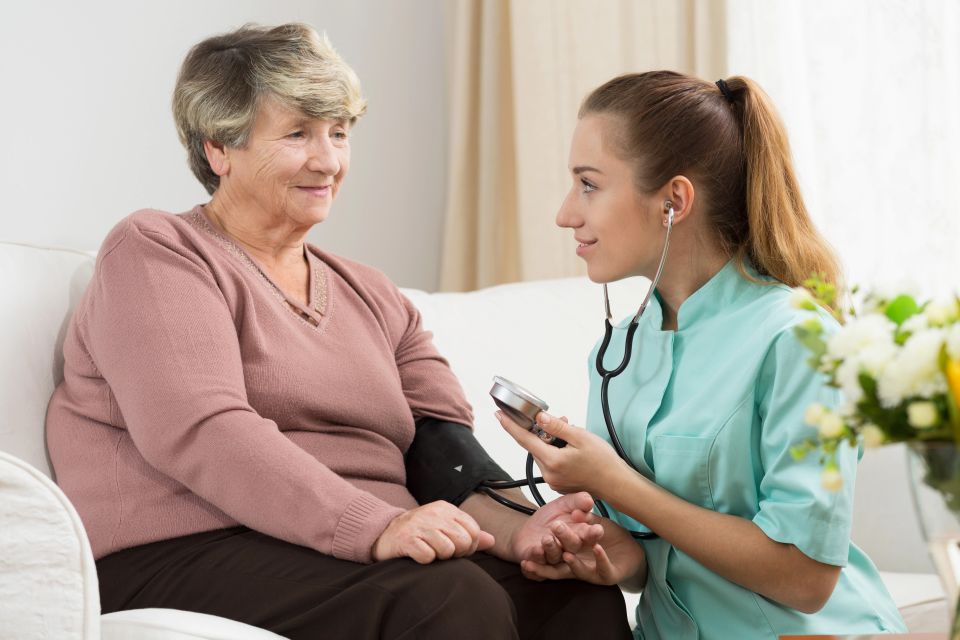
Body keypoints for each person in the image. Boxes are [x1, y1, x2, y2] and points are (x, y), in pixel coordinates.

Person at [45, 23, 633, 639]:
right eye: (298, 133)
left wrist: (521, 530)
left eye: (339, 133)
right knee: (444, 598)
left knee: (573, 602)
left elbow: (438, 444)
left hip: (336, 547)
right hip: (178, 549)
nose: (327, 160)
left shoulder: (373, 294)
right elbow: (203, 431)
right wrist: (373, 526)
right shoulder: (158, 251)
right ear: (219, 147)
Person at [496, 71, 908, 639]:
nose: (566, 213)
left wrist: (615, 482)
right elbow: (651, 555)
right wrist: (608, 553)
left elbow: (807, 577)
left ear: (675, 200)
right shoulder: (617, 354)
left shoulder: (798, 339)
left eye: (588, 184)